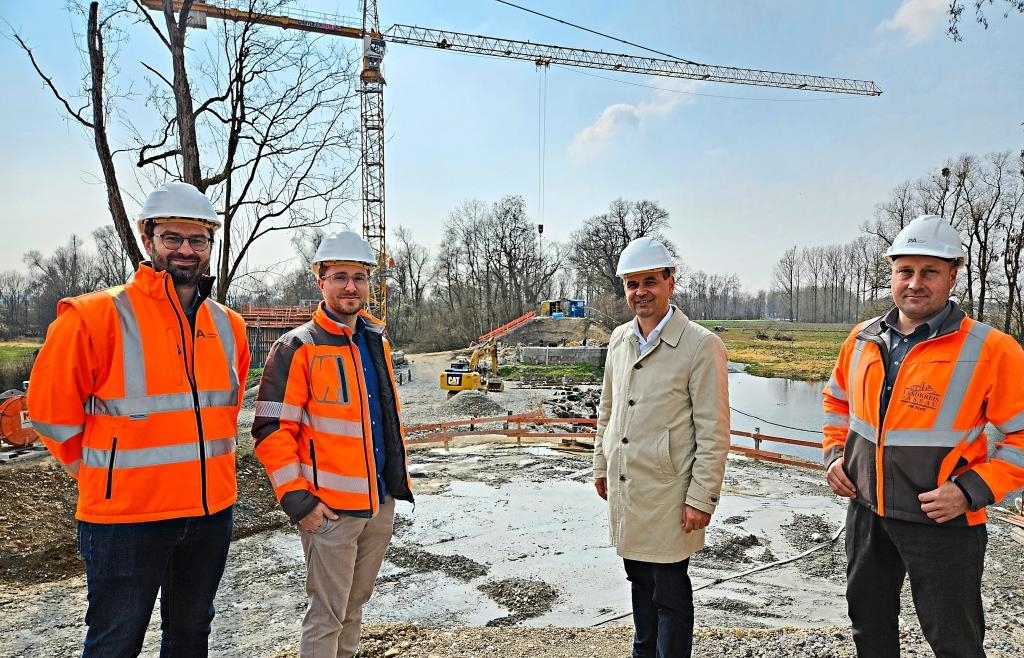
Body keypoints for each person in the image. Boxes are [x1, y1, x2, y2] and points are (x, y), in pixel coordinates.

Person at [28, 181, 250, 656]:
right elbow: (49, 411)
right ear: (148, 239)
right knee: (115, 641)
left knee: (191, 636)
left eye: (198, 240)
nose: (186, 250)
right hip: (125, 520)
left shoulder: (228, 326)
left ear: (210, 245)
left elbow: (223, 412)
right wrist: (98, 472)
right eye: (173, 238)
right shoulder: (94, 317)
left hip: (210, 514)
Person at [822, 214, 1024, 657]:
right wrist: (835, 456)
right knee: (869, 627)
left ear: (953, 274)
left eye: (929, 271)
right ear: (892, 274)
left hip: (943, 522)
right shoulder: (862, 339)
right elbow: (838, 403)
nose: (915, 283)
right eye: (905, 271)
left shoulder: (991, 350)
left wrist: (970, 491)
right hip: (867, 513)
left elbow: (1022, 437)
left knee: (954, 638)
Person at [252, 230, 413, 658]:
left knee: (354, 609)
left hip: (377, 504)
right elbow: (270, 430)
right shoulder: (297, 347)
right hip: (330, 511)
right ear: (319, 280)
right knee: (326, 616)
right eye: (339, 276)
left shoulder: (375, 341)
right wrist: (298, 502)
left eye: (359, 277)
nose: (350, 287)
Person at [593, 236, 731, 658]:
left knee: (670, 595)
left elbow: (713, 431)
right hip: (629, 488)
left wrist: (701, 498)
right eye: (632, 284)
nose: (640, 293)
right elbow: (609, 407)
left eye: (650, 281)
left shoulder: (700, 345)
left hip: (671, 496)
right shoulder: (619, 339)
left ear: (671, 281)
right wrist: (601, 464)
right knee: (639, 583)